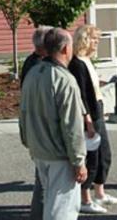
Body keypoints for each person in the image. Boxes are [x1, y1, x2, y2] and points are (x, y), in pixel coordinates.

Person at [20, 27, 87, 220]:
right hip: (59, 155)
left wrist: (28, 142)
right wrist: (78, 161)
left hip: (39, 151)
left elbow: (23, 113)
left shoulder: (33, 74)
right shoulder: (65, 80)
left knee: (49, 205)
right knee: (61, 211)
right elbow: (72, 125)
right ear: (66, 48)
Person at [68, 24, 117, 214]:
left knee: (104, 154)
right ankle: (85, 199)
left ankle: (100, 192)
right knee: (92, 157)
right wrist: (87, 120)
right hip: (89, 115)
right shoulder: (76, 64)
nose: (97, 42)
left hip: (98, 111)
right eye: (95, 39)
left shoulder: (88, 61)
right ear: (85, 39)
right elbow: (81, 95)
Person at [19, 25, 52, 220]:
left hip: (34, 126)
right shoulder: (36, 66)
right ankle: (39, 214)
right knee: (43, 177)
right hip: (40, 126)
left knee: (42, 176)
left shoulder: (33, 62)